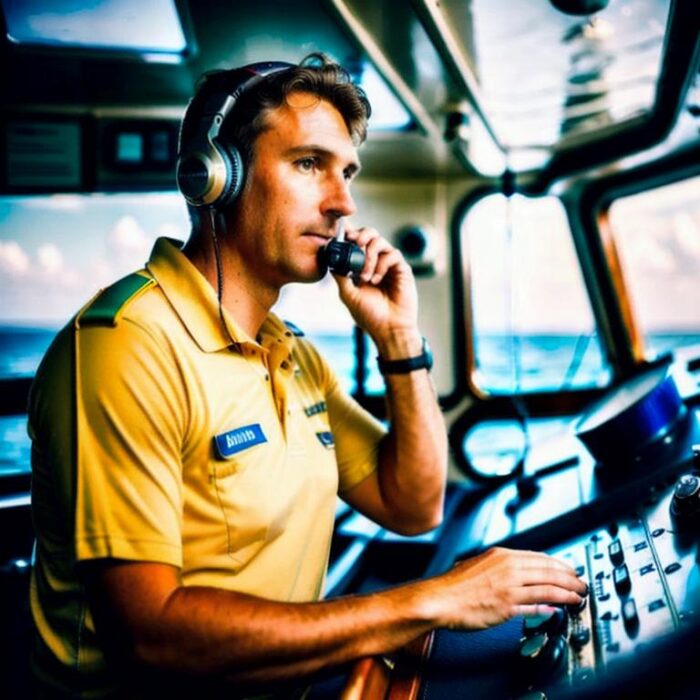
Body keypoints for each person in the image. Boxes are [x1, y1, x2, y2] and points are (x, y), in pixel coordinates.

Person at [28, 53, 587, 698]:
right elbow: (151, 635)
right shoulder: (125, 347)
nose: (342, 202)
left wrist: (399, 339)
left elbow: (413, 503)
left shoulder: (291, 353)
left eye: (346, 172)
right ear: (217, 179)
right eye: (308, 164)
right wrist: (427, 603)